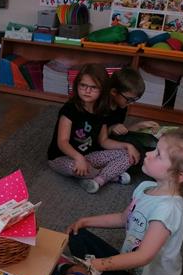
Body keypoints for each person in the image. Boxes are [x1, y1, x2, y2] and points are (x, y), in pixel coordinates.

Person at [65, 130, 183, 275]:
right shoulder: (145, 188)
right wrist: (86, 221)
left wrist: (94, 265)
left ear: (178, 176)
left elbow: (143, 257)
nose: (148, 154)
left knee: (72, 274)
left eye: (158, 154)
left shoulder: (168, 210)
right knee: (77, 234)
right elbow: (123, 218)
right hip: (129, 270)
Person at [47, 63, 139, 193]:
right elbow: (62, 142)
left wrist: (127, 146)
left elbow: (104, 141)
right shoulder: (69, 109)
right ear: (77, 85)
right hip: (62, 157)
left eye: (93, 87)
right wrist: (79, 158)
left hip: (88, 155)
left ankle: (98, 179)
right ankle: (109, 176)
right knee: (75, 166)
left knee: (127, 155)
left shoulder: (102, 110)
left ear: (103, 89)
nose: (87, 91)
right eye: (83, 85)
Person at [104, 67, 161, 157]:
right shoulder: (101, 107)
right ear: (114, 92)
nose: (131, 103)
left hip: (113, 141)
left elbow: (121, 131)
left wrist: (140, 126)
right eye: (129, 99)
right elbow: (95, 137)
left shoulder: (122, 106)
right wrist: (111, 129)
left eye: (134, 100)